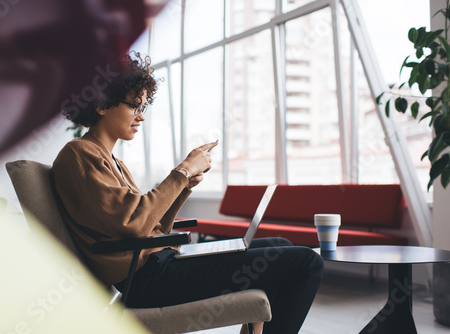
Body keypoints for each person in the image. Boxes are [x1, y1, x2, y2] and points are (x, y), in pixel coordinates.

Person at [52, 51, 324, 334]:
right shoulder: (80, 154)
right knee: (307, 262)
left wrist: (183, 187)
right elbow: (132, 225)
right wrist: (181, 172)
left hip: (158, 265)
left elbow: (152, 228)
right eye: (134, 105)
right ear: (101, 105)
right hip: (150, 279)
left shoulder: (114, 162)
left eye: (143, 106)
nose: (141, 116)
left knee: (278, 243)